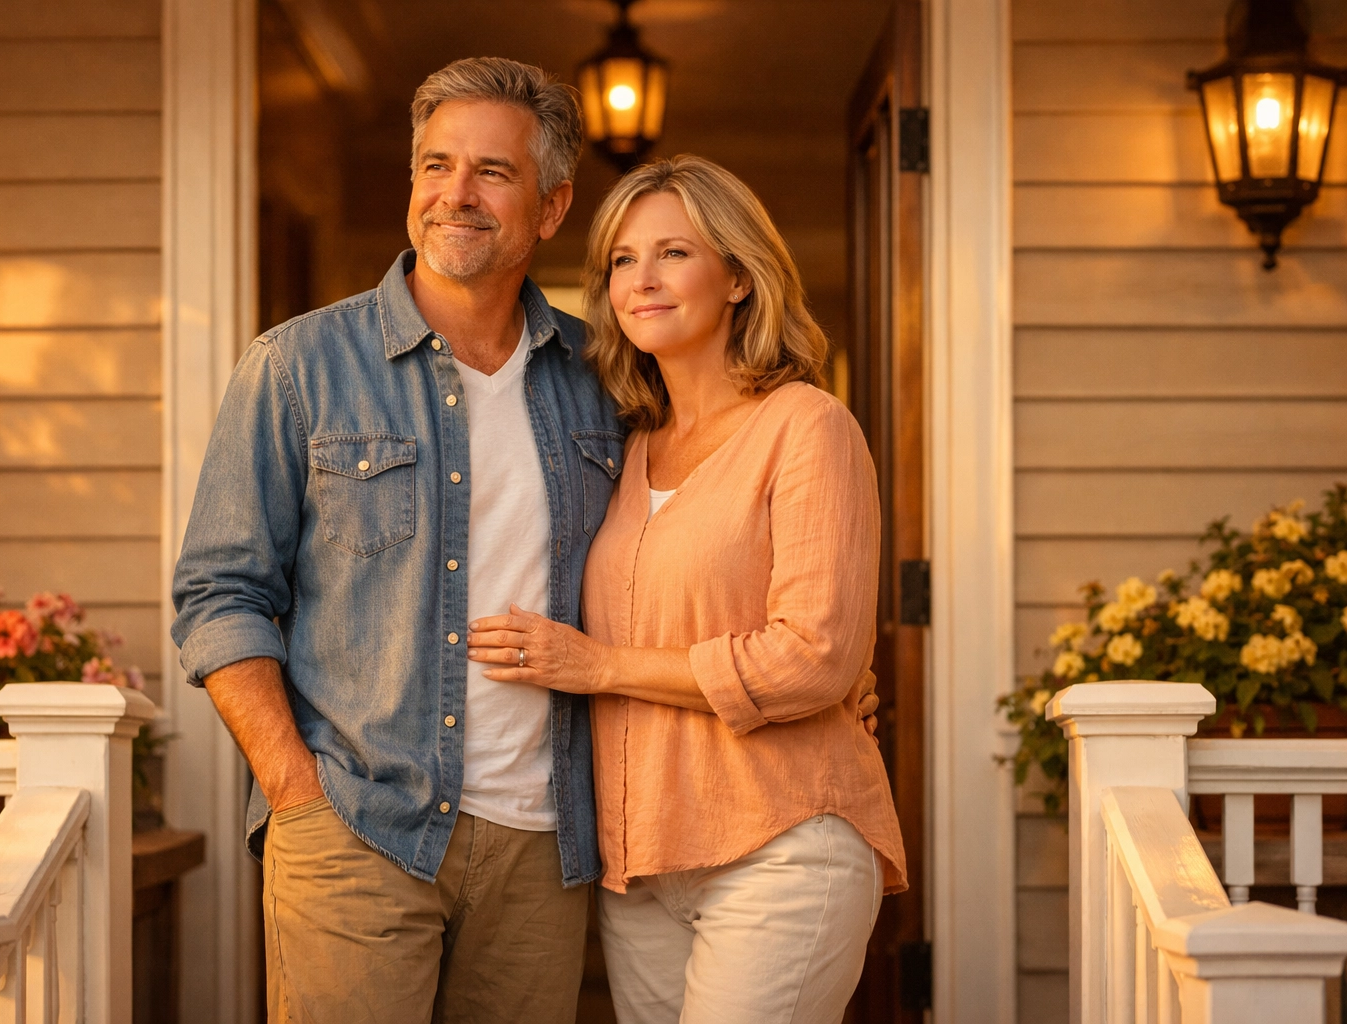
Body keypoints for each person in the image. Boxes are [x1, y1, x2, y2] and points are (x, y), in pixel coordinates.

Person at [170, 57, 622, 1023]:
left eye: (492, 172)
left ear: (550, 207)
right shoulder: (298, 366)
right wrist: (296, 790)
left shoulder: (605, 380)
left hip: (543, 843)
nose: (455, 194)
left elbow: (677, 549)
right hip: (357, 829)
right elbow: (219, 592)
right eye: (435, 165)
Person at [466, 154, 906, 1023]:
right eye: (623, 261)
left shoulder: (807, 426)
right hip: (643, 866)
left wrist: (597, 667)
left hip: (781, 841)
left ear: (739, 276)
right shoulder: (626, 449)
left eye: (673, 253)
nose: (642, 280)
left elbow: (814, 656)